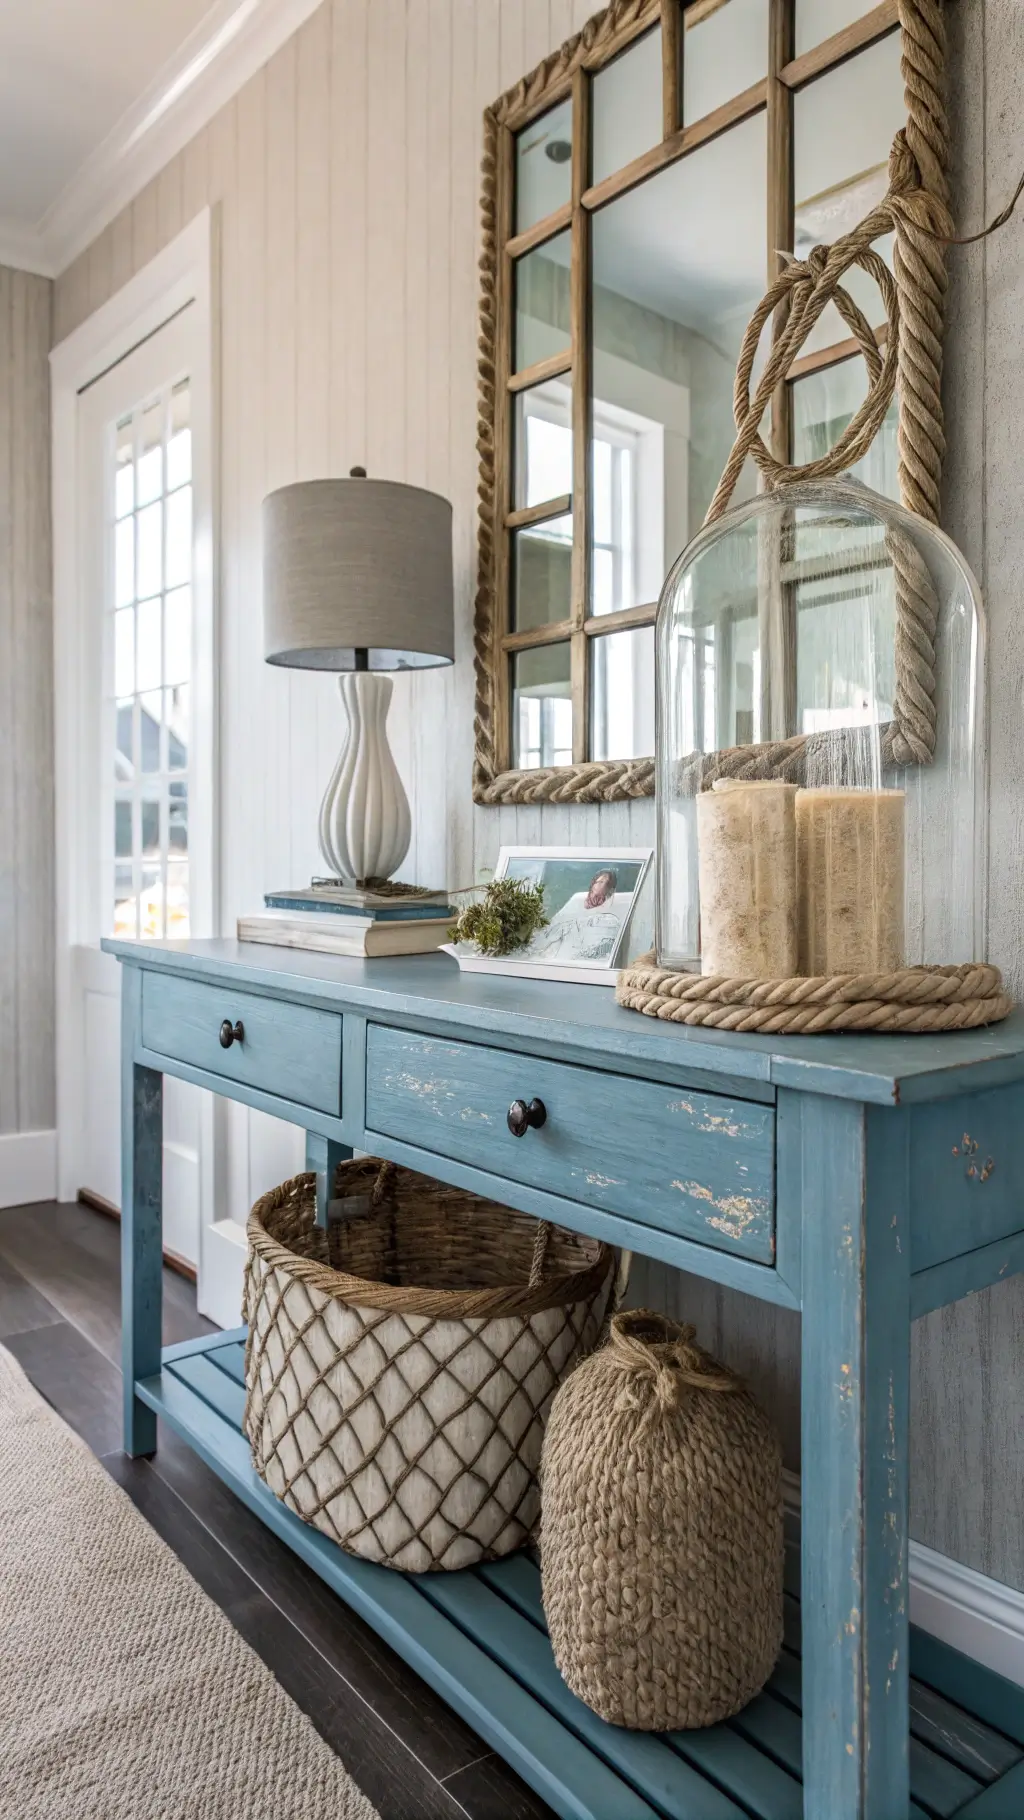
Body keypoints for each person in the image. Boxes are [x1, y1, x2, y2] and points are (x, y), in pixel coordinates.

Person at [528, 869, 625, 964]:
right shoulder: (573, 906)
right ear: (591, 886)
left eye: (600, 898)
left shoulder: (611, 921)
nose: (596, 901)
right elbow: (546, 936)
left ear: (611, 893)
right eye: (599, 882)